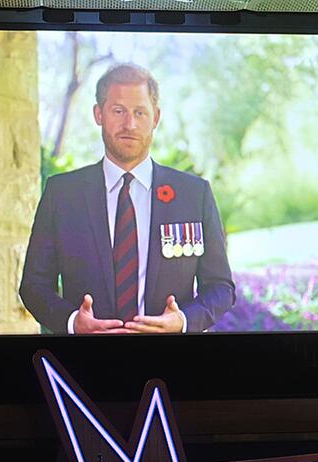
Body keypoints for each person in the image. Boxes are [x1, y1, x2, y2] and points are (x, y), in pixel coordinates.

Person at [20, 63, 236, 335]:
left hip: (172, 361)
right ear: (99, 114)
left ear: (155, 118)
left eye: (140, 112)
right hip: (86, 363)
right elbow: (34, 285)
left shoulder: (194, 194)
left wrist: (184, 321)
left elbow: (221, 288)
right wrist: (72, 322)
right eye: (118, 111)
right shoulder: (61, 194)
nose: (129, 124)